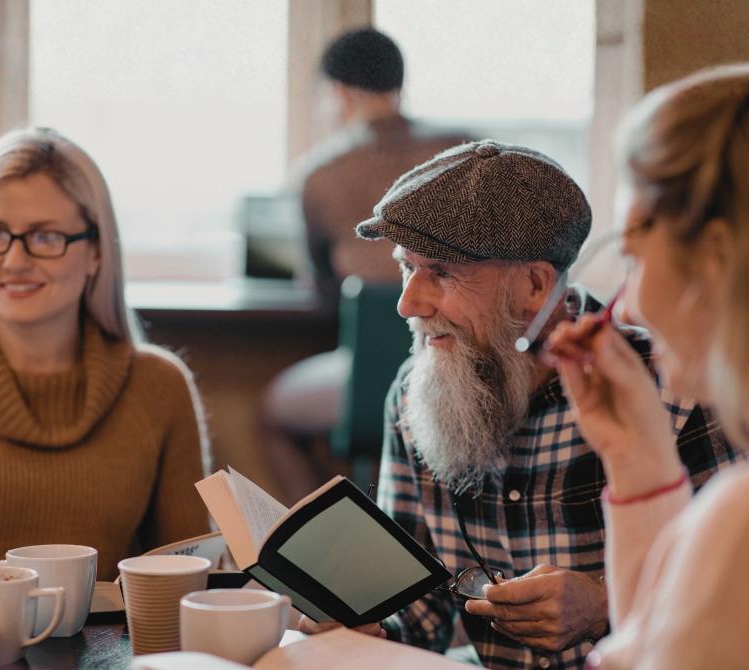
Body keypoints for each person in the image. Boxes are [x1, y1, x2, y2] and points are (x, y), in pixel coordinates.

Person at [302, 139, 739, 669]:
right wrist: (365, 629)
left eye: (440, 272)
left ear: (535, 285)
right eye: (405, 267)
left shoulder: (675, 386)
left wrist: (604, 603)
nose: (407, 303)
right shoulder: (416, 393)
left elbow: (728, 609)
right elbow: (418, 618)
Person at [0, 127, 211, 580]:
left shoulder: (158, 385)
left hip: (116, 650)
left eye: (45, 237)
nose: (13, 261)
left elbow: (188, 579)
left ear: (95, 252)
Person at [544, 65, 748, 669]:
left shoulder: (737, 523)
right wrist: (639, 461)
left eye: (633, 259)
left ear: (713, 257)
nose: (625, 305)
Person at [265, 28, 469, 502]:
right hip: (465, 358)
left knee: (271, 415)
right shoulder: (460, 152)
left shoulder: (320, 176)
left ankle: (317, 541)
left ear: (336, 91)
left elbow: (323, 289)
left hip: (369, 373)